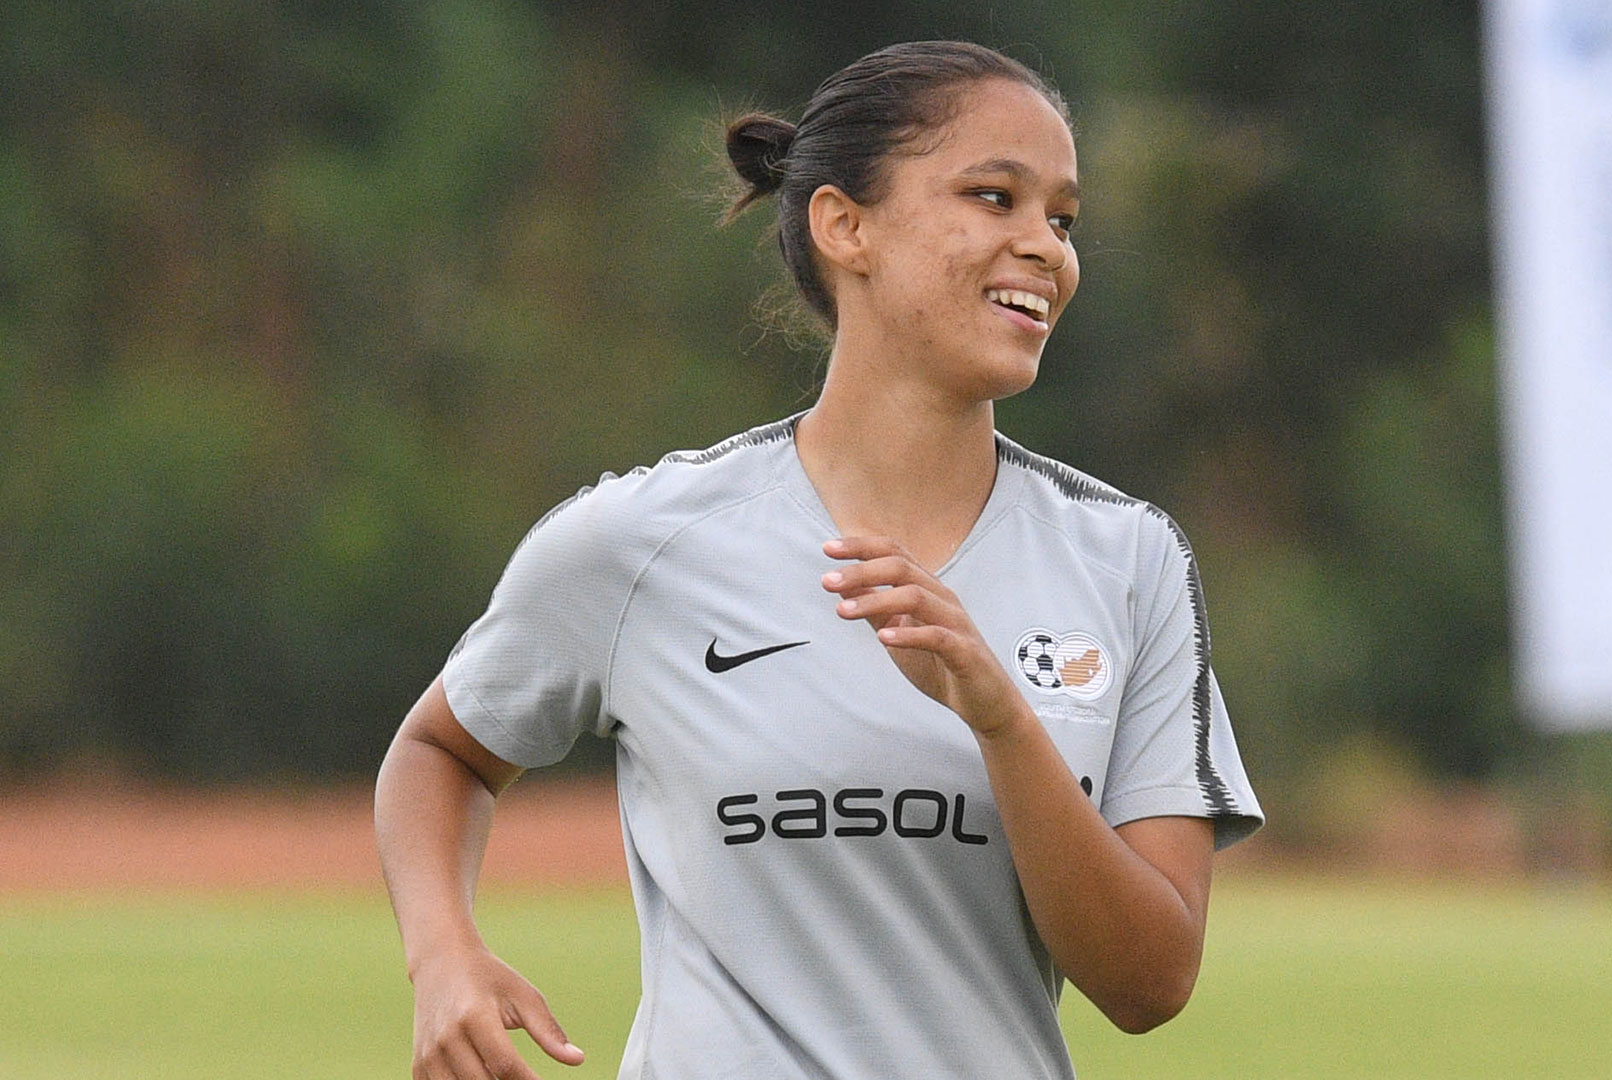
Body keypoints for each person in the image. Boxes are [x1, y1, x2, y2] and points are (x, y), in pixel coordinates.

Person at [374, 39, 1263, 1080]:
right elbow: (442, 752)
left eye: (1062, 220)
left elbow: (1150, 985)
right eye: (994, 197)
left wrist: (998, 716)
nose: (1046, 249)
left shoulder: (1129, 558)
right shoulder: (641, 539)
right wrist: (443, 956)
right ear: (845, 226)